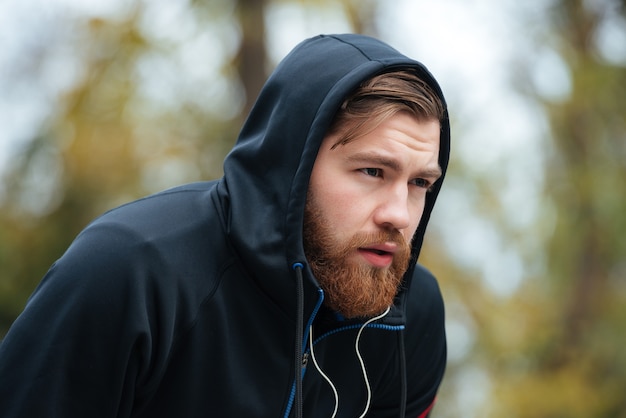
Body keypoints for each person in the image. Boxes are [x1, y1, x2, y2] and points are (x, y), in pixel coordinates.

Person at [0, 33, 450, 418]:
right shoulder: (129, 271)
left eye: (419, 182)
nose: (400, 214)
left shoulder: (412, 317)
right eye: (373, 172)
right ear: (292, 165)